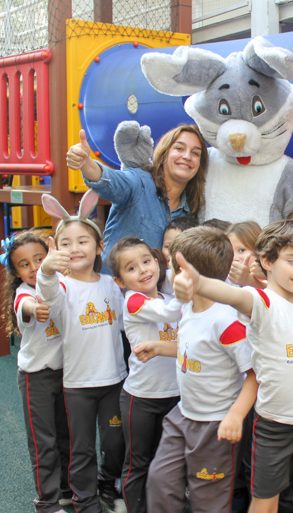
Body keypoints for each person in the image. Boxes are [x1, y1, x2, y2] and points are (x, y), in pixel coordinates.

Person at [172, 220, 293, 513]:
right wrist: (198, 282)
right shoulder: (262, 302)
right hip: (275, 425)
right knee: (265, 503)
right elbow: (233, 295)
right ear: (267, 262)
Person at [135, 226, 258, 512]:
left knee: (208, 499)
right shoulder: (188, 307)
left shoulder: (227, 320)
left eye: (170, 265)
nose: (167, 271)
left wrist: (236, 415)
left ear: (184, 273)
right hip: (183, 415)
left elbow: (254, 373)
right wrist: (161, 347)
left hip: (215, 424)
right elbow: (197, 349)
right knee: (160, 481)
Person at [36, 193, 127, 513]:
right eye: (66, 243)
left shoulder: (111, 285)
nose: (75, 248)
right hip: (78, 385)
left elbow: (128, 321)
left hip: (114, 380)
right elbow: (47, 291)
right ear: (56, 249)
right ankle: (85, 500)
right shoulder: (61, 287)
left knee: (115, 442)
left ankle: (108, 484)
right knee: (82, 448)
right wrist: (46, 271)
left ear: (99, 247)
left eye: (83, 241)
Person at [66, 125, 208, 273]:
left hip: (155, 287)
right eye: (179, 148)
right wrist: (86, 163)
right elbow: (111, 181)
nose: (187, 156)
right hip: (111, 285)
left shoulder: (191, 211)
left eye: (195, 153)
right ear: (164, 153)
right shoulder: (139, 182)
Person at [108, 237, 183, 513]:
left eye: (146, 261)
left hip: (176, 394)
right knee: (138, 461)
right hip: (141, 398)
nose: (142, 270)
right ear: (120, 281)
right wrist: (188, 279)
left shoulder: (169, 298)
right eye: (131, 268)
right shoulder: (133, 301)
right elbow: (169, 312)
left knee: (166, 461)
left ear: (156, 262)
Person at [0, 229, 71, 513]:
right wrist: (34, 309)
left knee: (67, 434)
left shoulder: (62, 282)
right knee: (44, 440)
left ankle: (66, 490)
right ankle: (47, 502)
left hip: (67, 373)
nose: (33, 268)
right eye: (24, 264)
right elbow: (25, 306)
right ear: (16, 273)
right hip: (36, 376)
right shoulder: (23, 293)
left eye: (39, 259)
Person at [226, 221, 264, 288]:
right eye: (229, 252)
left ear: (259, 250)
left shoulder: (270, 277)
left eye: (241, 250)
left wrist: (248, 280)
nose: (234, 258)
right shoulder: (227, 278)